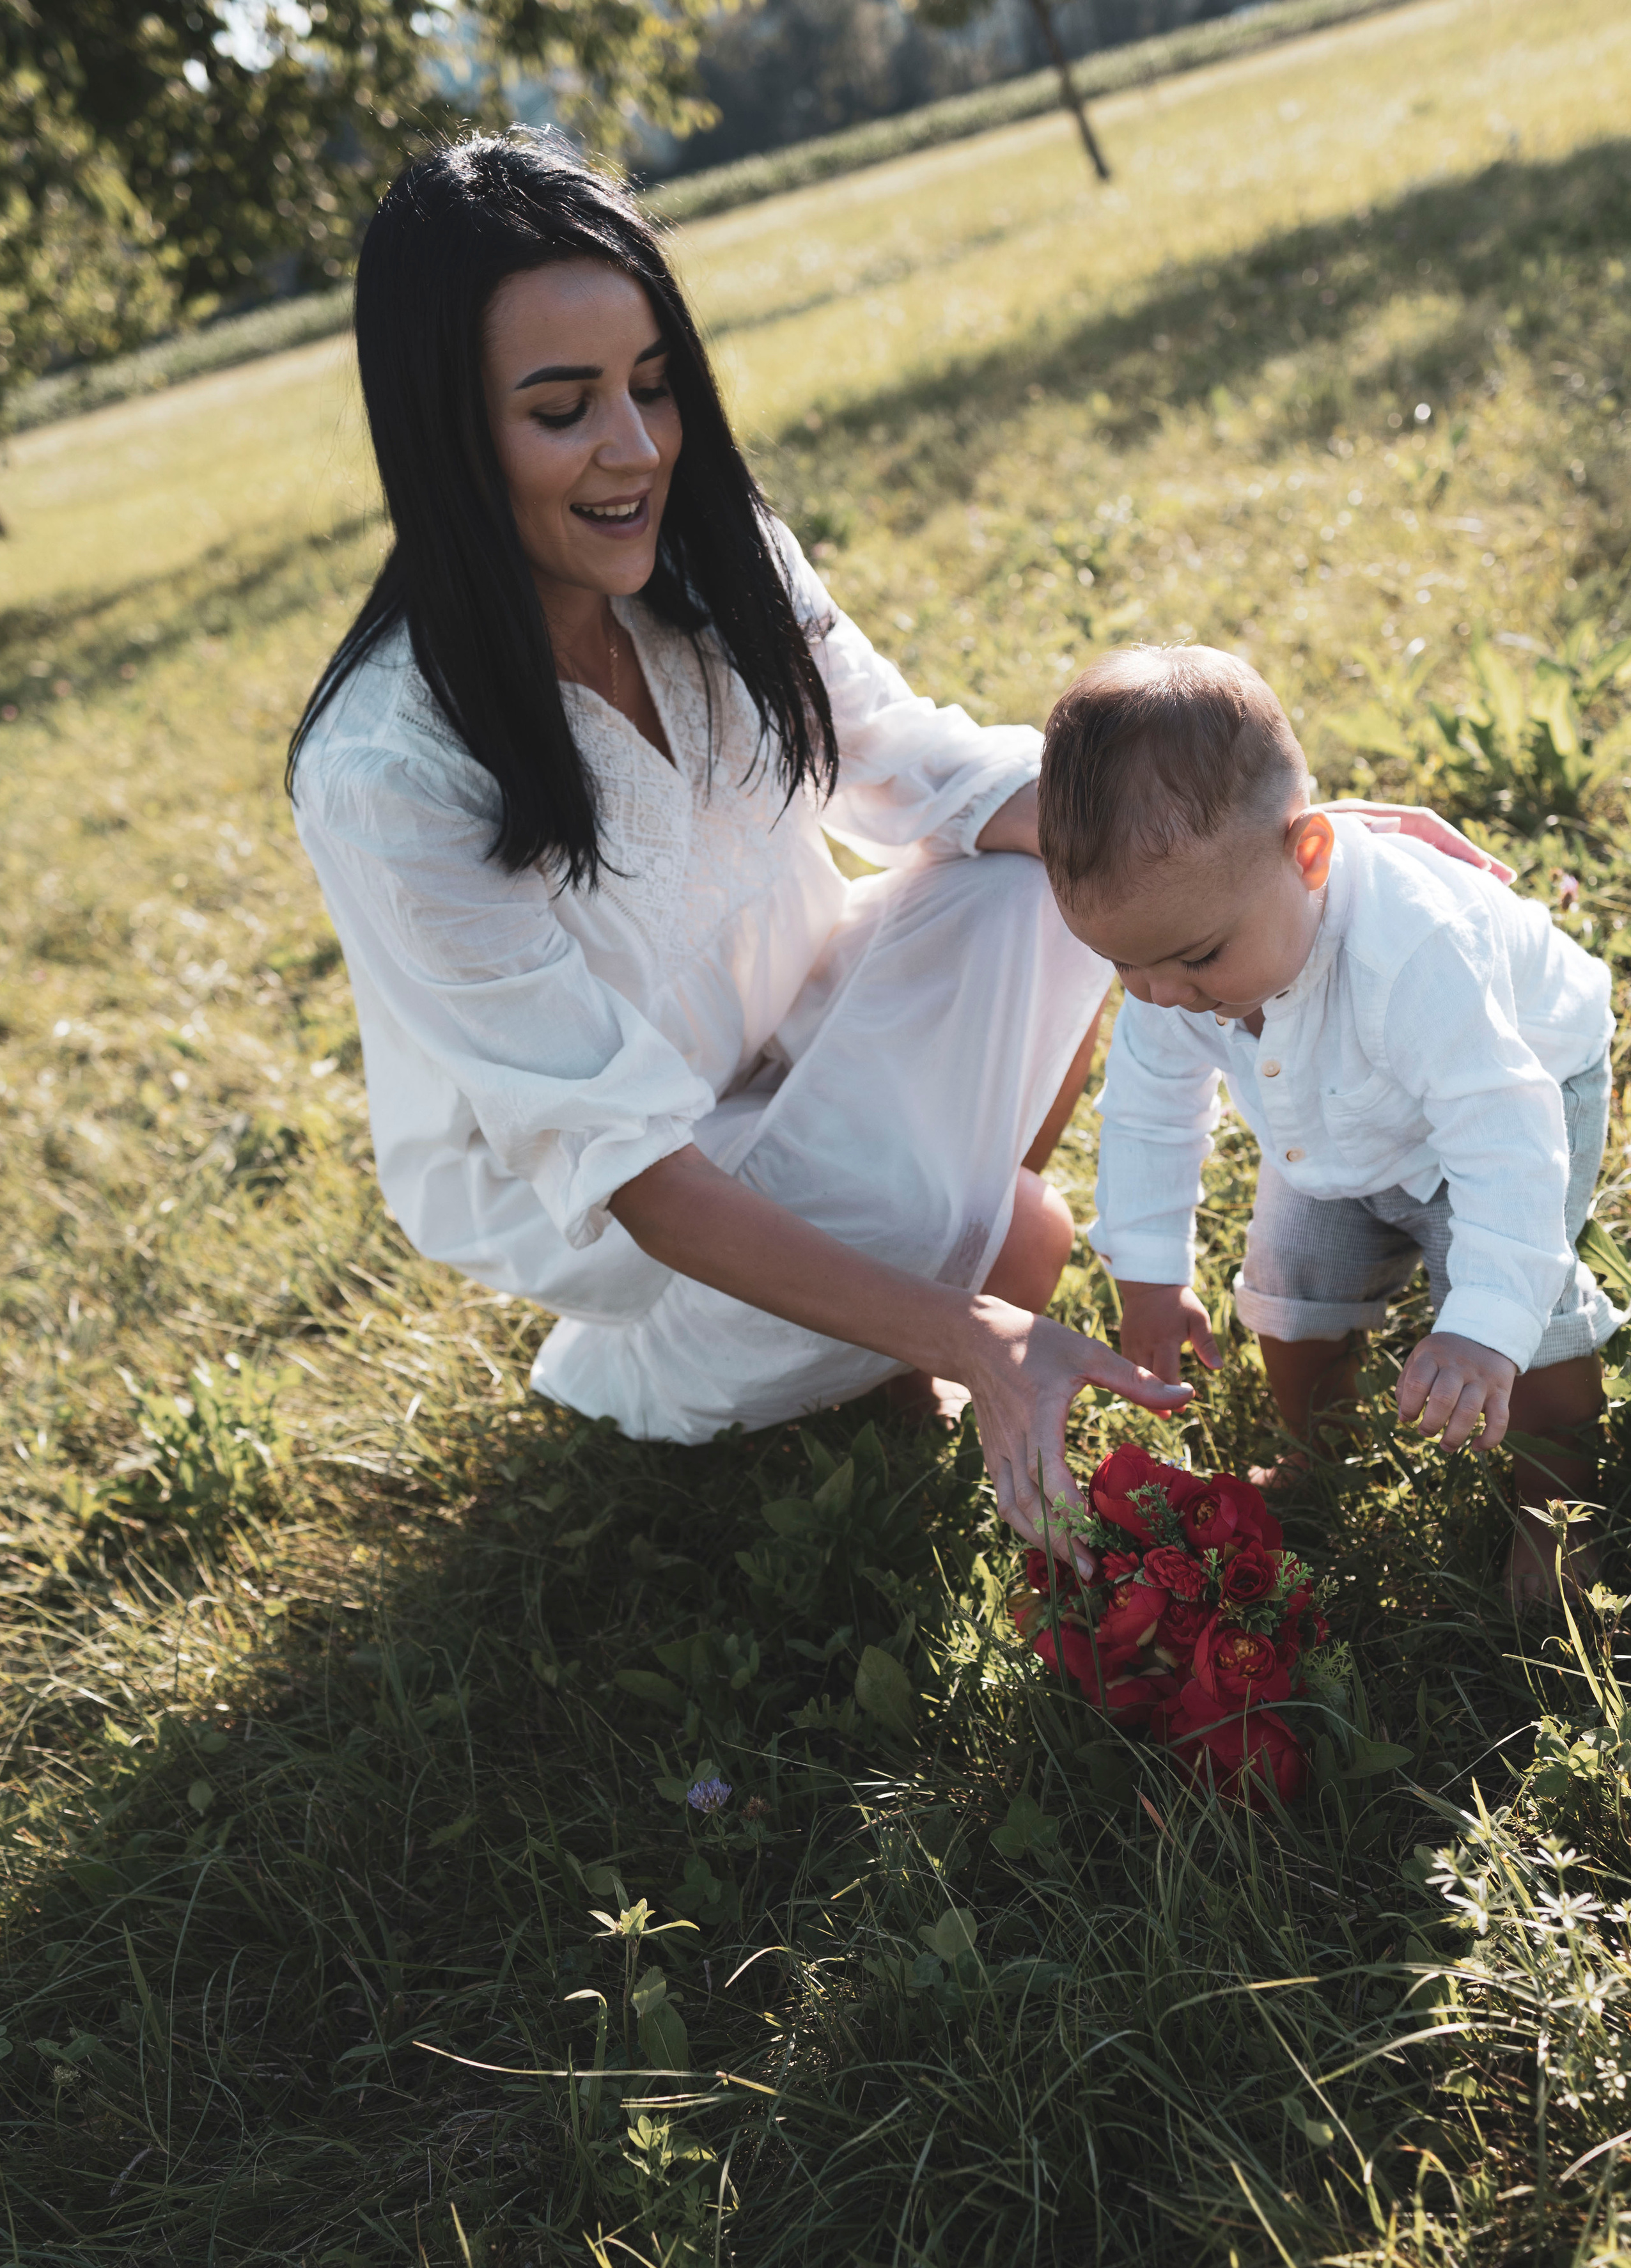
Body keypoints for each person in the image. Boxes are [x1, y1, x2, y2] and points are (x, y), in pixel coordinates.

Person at [287, 130, 1497, 1563]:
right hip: (645, 1217)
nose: (636, 449)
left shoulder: (702, 543)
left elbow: (913, 762)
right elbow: (634, 1168)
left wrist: (1292, 842)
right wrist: (979, 1336)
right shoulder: (388, 770)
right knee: (932, 1214)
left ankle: (939, 1247)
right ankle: (761, 1344)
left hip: (802, 1032)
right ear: (446, 433)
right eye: (563, 411)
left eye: (654, 386)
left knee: (1049, 883)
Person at [1038, 643, 1619, 1600]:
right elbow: (1147, 1110)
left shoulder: (1416, 949)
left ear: (1310, 856)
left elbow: (1502, 1129)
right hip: (1344, 1109)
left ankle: (1555, 1514)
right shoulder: (1178, 956)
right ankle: (1320, 1448)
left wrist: (1480, 1327)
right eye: (1124, 968)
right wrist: (1148, 1273)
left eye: (1195, 960)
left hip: (1517, 1090)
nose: (1160, 995)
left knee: (1536, 1313)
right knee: (1286, 1281)